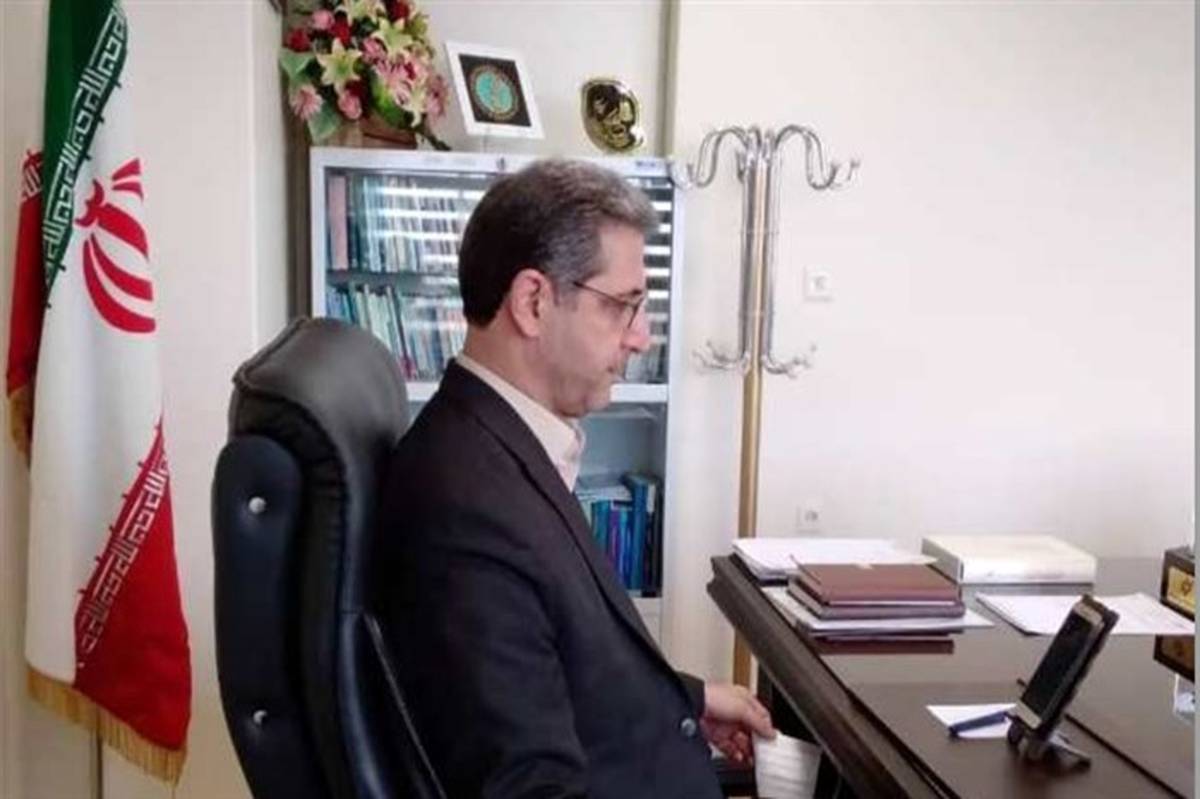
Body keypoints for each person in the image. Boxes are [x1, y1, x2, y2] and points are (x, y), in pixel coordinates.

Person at [376, 158, 775, 798]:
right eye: (622, 307)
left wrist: (687, 699)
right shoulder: (465, 511)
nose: (641, 337)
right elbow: (528, 786)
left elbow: (562, 657)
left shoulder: (496, 446)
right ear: (533, 302)